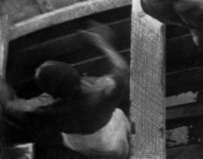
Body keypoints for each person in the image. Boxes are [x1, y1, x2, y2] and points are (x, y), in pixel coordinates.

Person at [0, 29, 130, 159]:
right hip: (109, 130)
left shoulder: (52, 112)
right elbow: (122, 68)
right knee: (118, 148)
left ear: (51, 93)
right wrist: (101, 42)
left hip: (83, 140)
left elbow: (11, 107)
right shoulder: (103, 90)